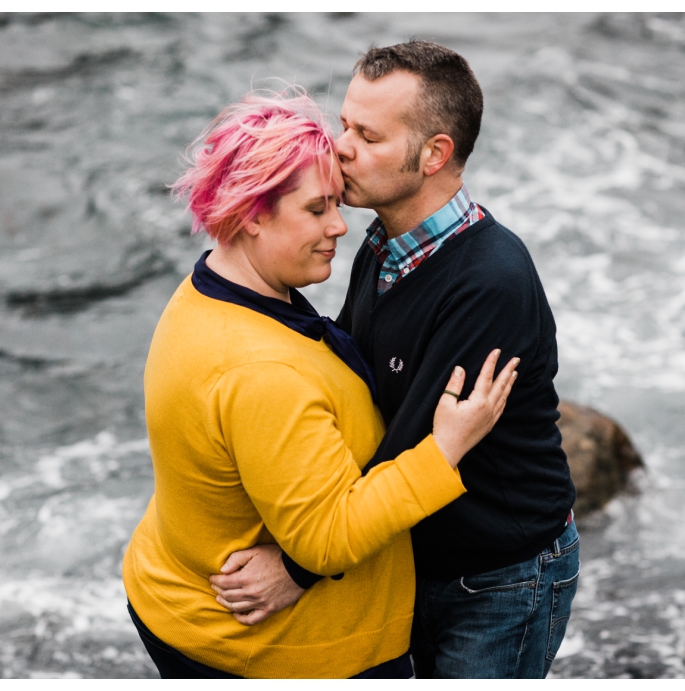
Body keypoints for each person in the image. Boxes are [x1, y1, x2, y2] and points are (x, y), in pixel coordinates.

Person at [210, 42, 579, 679]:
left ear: (434, 154)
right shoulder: (382, 244)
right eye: (344, 124)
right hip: (416, 556)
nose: (340, 146)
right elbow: (349, 379)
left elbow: (411, 441)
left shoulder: (490, 280)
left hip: (499, 579)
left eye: (368, 135)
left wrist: (297, 567)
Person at [121, 90, 518, 679]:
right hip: (278, 652)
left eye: (337, 202)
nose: (339, 225)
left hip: (177, 599)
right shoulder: (261, 373)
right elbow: (325, 541)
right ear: (252, 213)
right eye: (316, 210)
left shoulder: (208, 291)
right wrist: (445, 449)